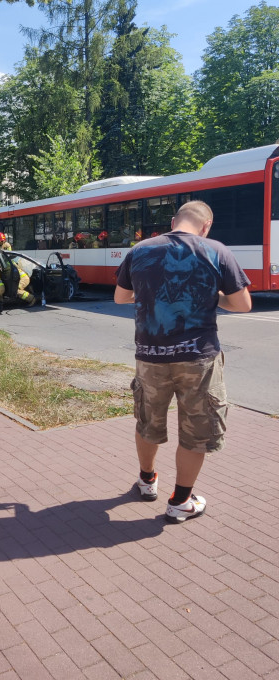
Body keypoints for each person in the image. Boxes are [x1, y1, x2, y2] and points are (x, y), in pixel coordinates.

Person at [114, 200, 252, 523]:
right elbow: (242, 303)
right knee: (196, 430)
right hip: (198, 359)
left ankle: (147, 481)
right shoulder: (216, 250)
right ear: (206, 226)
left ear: (174, 220)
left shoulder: (141, 250)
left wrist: (152, 295)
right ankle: (180, 501)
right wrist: (211, 295)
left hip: (149, 356)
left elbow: (121, 297)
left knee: (148, 420)